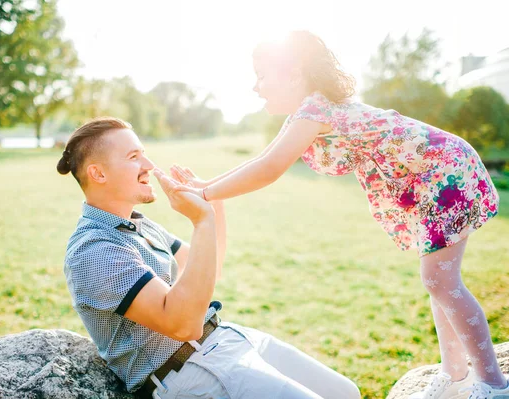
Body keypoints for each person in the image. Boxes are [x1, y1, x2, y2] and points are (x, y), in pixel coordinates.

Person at [170, 31, 507, 399]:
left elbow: (269, 168)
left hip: (443, 171)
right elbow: (261, 160)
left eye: (263, 75)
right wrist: (205, 184)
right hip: (429, 178)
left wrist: (204, 192)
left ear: (294, 73)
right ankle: (455, 373)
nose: (256, 86)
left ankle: (492, 383)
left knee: (440, 280)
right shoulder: (309, 110)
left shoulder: (315, 109)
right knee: (438, 280)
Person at [57, 117, 361, 399]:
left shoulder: (138, 224)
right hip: (188, 370)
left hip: (226, 340)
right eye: (134, 156)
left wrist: (213, 203)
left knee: (345, 393)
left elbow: (206, 274)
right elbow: (183, 325)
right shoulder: (93, 249)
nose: (149, 164)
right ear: (98, 173)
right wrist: (201, 223)